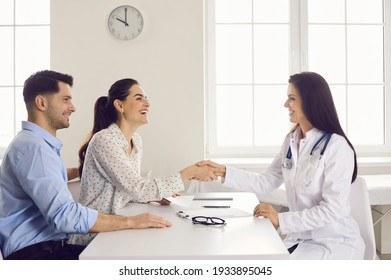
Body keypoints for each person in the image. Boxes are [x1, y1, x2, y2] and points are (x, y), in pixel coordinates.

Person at [0, 70, 174, 260]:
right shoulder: (35, 149)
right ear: (42, 103)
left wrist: (79, 170)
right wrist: (130, 221)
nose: (73, 107)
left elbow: (45, 179)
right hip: (38, 255)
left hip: (46, 248)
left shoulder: (33, 144)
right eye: (65, 99)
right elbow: (65, 216)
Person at [201, 72, 365, 260]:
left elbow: (332, 210)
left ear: (310, 101)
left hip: (334, 240)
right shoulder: (291, 141)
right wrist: (222, 171)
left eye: (292, 98)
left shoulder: (337, 147)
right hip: (300, 238)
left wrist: (280, 219)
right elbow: (265, 182)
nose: (286, 104)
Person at [69, 78, 216, 246]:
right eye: (139, 98)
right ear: (120, 105)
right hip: (93, 236)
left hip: (116, 228)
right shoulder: (104, 140)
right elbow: (137, 189)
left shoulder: (136, 141)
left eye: (146, 98)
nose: (147, 103)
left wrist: (154, 197)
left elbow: (129, 189)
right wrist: (188, 173)